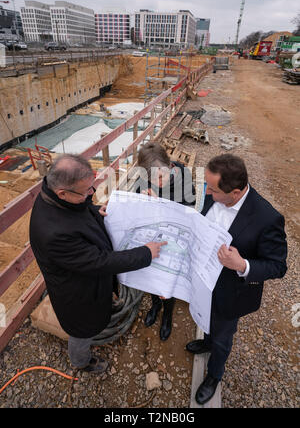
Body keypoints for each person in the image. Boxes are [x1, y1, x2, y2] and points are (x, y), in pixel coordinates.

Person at [29, 154, 166, 373]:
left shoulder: (54, 193)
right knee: (82, 332)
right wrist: (145, 253)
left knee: (98, 310)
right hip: (77, 296)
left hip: (91, 283)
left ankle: (104, 308)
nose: (90, 195)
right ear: (62, 192)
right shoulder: (52, 234)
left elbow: (78, 212)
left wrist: (95, 210)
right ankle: (81, 361)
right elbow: (100, 262)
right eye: (85, 192)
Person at [185, 154, 287, 404]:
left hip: (231, 292)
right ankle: (205, 342)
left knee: (223, 337)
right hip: (203, 281)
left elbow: (278, 266)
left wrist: (242, 265)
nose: (206, 193)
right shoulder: (213, 196)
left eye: (213, 189)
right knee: (206, 318)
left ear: (236, 192)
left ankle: (214, 375)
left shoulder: (267, 218)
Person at [135, 141, 195, 341]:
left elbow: (190, 208)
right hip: (153, 236)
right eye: (152, 178)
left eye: (160, 176)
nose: (157, 182)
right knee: (154, 274)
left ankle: (168, 313)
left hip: (174, 236)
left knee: (168, 280)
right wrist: (143, 200)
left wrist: (161, 204)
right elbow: (135, 206)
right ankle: (155, 305)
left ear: (170, 167)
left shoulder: (183, 175)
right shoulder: (144, 180)